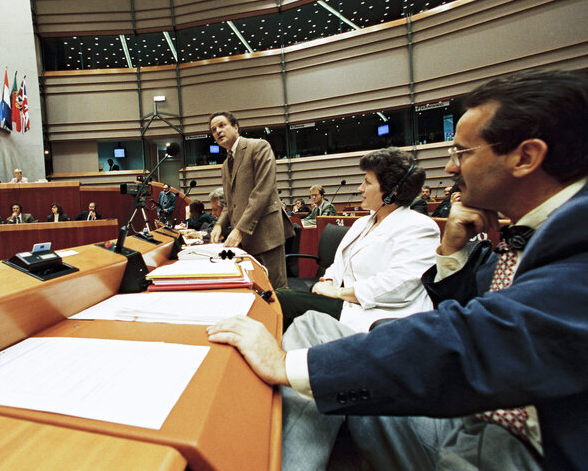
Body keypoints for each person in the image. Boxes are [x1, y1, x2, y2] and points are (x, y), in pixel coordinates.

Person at [207, 69, 588, 471]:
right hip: (472, 402)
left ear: (525, 157)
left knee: (307, 350)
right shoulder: (528, 232)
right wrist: (453, 251)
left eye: (462, 152)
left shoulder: (576, 237)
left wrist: (285, 364)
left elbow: (478, 337)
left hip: (515, 445)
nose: (449, 169)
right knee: (311, 330)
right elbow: (464, 308)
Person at [277, 147, 440, 332]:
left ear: (391, 192)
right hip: (347, 302)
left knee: (282, 299)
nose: (360, 188)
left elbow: (399, 285)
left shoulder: (420, 226)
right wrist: (328, 281)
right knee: (280, 299)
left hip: (377, 315)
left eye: (367, 182)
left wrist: (338, 292)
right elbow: (340, 263)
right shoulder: (363, 223)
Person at [209, 111, 294, 289]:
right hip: (244, 241)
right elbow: (230, 203)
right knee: (254, 290)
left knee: (276, 290)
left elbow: (263, 191)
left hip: (266, 234)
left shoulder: (259, 147)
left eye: (222, 125)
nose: (218, 131)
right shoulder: (225, 165)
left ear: (236, 127)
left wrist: (239, 229)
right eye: (213, 129)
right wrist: (219, 224)